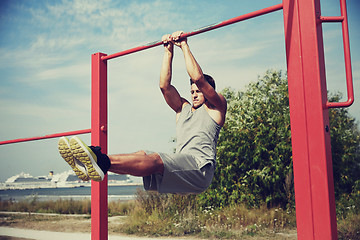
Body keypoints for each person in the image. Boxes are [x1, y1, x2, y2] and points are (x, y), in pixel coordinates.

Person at [58, 31, 227, 194]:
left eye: (199, 91)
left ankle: (98, 159)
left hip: (200, 169)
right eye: (192, 92)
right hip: (183, 169)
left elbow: (198, 78)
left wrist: (183, 44)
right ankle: (98, 164)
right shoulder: (183, 109)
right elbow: (164, 86)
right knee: (143, 154)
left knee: (156, 159)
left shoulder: (216, 108)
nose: (195, 94)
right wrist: (168, 51)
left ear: (208, 91)